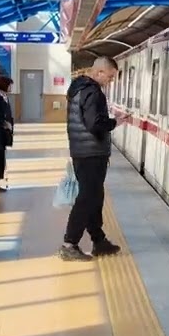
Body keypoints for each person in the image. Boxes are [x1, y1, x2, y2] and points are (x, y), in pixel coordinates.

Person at [60, 56, 124, 260]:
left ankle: (99, 240)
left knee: (95, 197)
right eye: (110, 77)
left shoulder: (79, 89)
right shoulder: (93, 91)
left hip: (84, 151)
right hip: (90, 153)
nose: (110, 81)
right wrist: (115, 122)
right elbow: (95, 124)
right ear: (99, 73)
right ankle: (69, 244)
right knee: (87, 198)